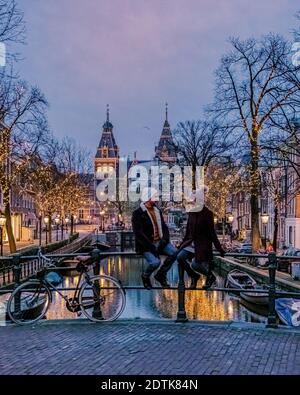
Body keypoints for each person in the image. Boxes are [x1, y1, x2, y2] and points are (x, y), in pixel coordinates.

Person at [177, 187, 226, 289]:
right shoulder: (191, 213)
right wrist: (182, 244)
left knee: (195, 265)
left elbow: (212, 233)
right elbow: (188, 232)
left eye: (193, 201)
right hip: (191, 243)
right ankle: (194, 276)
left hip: (202, 245)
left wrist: (219, 249)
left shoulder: (207, 213)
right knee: (180, 257)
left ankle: (210, 276)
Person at [132, 187, 177, 290]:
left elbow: (164, 227)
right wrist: (152, 247)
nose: (157, 199)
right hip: (146, 245)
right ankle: (145, 276)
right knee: (155, 263)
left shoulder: (157, 211)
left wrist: (165, 240)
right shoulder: (137, 213)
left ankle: (160, 275)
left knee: (175, 253)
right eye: (155, 196)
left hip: (160, 242)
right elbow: (138, 234)